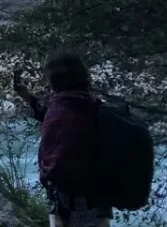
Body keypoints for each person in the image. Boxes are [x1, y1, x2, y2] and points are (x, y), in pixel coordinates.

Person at [13, 52, 112, 227]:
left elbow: (49, 118)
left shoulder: (58, 108)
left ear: (56, 80)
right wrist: (27, 96)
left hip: (63, 189)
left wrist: (28, 97)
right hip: (98, 190)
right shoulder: (97, 107)